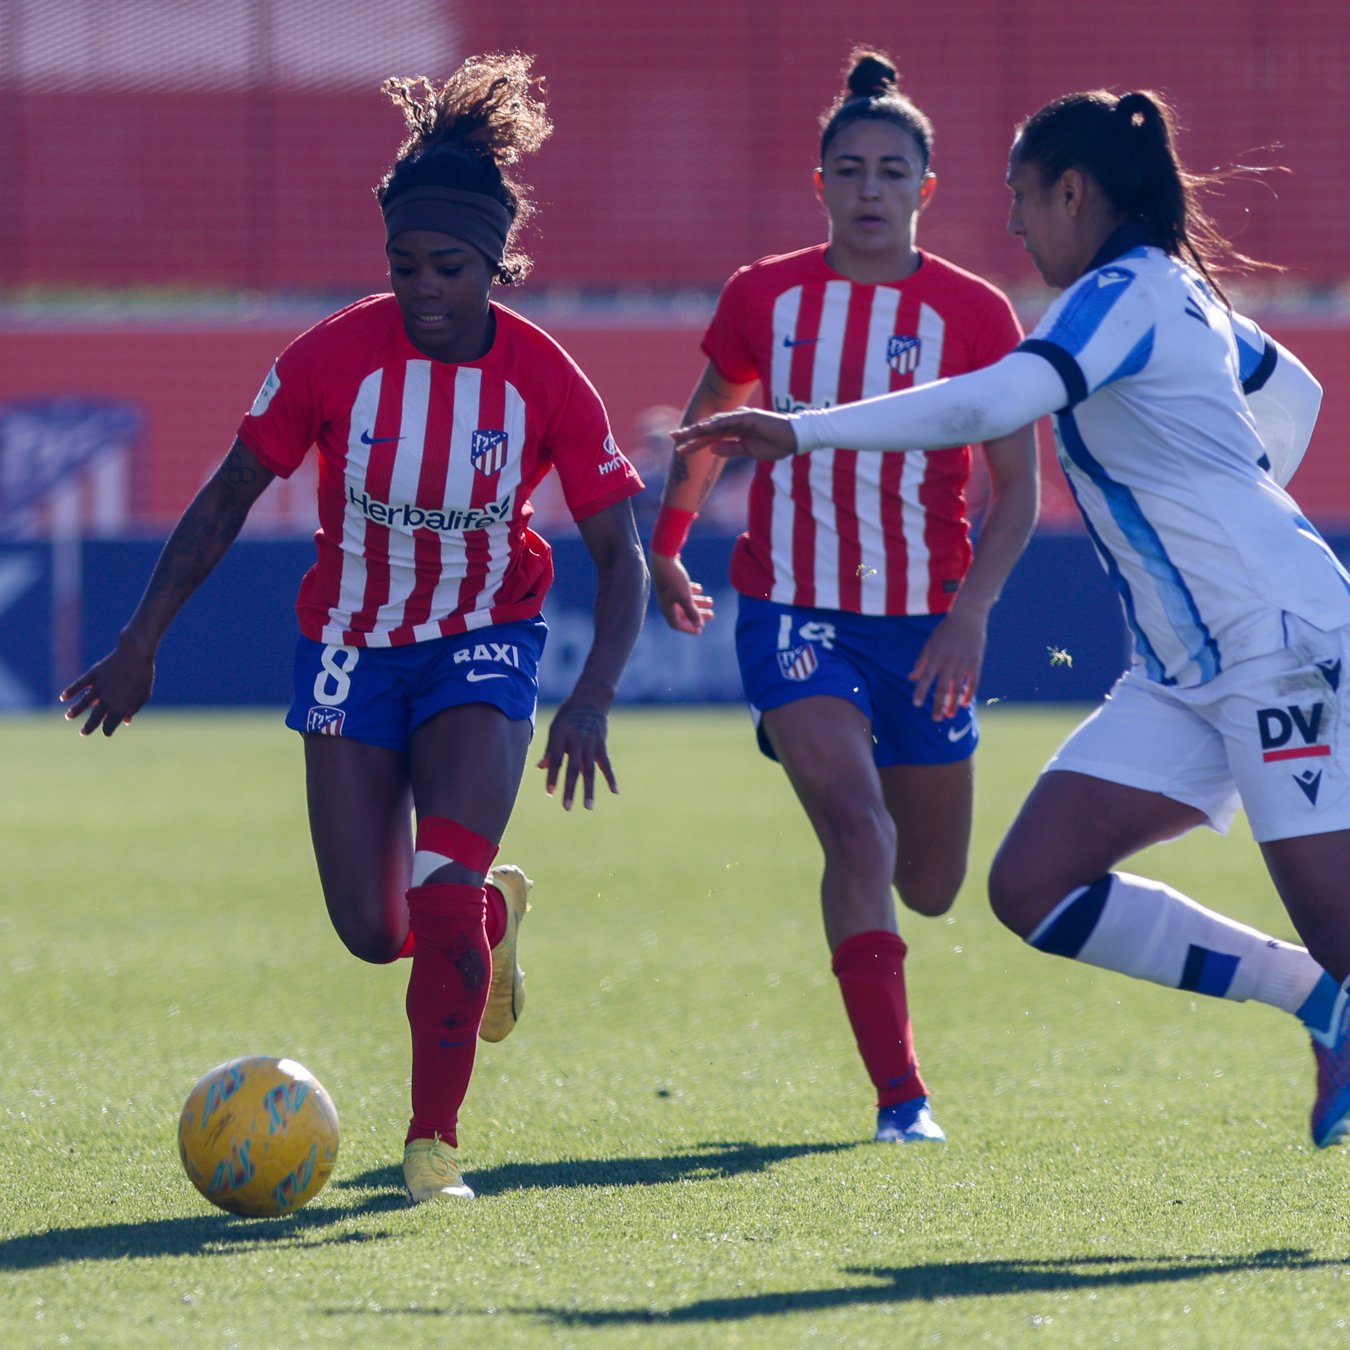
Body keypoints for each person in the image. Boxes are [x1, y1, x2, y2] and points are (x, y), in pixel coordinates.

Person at [674, 86, 1350, 1149]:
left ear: (1073, 192)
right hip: (1185, 668)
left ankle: (1336, 982)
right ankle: (1319, 1000)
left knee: (1343, 923)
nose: (1011, 225)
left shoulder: (1115, 296)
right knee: (1032, 887)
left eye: (1021, 200)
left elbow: (990, 406)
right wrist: (1231, 502)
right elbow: (1298, 392)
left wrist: (802, 432)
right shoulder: (1174, 291)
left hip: (1276, 649)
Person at [61, 54, 650, 1201]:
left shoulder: (545, 379)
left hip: (485, 635)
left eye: (449, 266)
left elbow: (619, 551)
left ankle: (434, 1148)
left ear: (495, 263)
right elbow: (228, 492)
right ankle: (487, 919)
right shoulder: (331, 356)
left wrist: (593, 693)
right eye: (404, 265)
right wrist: (142, 642)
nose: (423, 287)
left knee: (434, 901)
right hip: (351, 644)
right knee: (375, 932)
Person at [650, 50, 1039, 1145]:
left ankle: (874, 773)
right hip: (793, 609)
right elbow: (709, 424)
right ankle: (901, 1099)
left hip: (927, 625)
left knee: (930, 884)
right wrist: (668, 548)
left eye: (890, 172)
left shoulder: (974, 314)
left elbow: (1020, 488)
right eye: (849, 170)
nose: (869, 189)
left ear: (926, 188)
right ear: (819, 184)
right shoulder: (763, 297)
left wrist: (970, 614)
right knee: (858, 836)